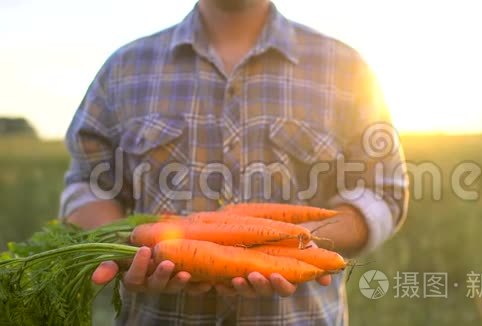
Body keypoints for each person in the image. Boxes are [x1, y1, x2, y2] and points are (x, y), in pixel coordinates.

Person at [59, 0, 409, 324]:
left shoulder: (346, 68)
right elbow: (89, 181)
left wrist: (290, 247)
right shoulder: (124, 68)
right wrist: (130, 251)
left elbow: (383, 192)